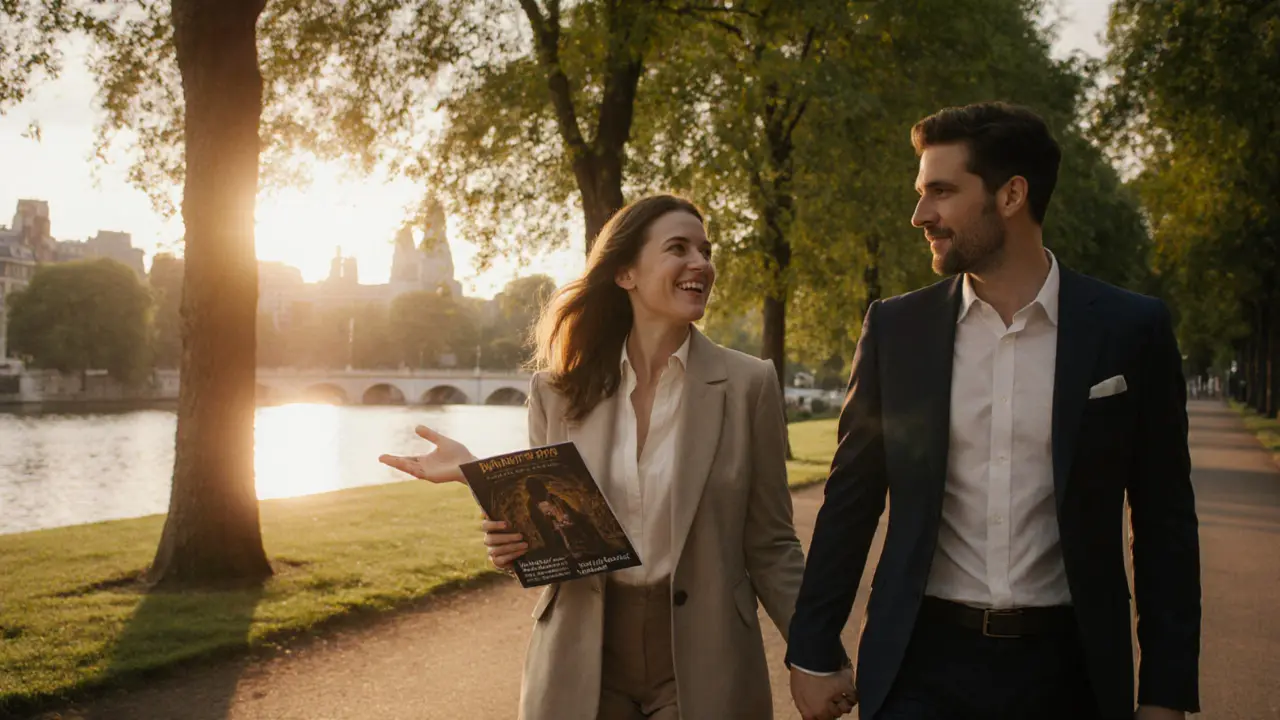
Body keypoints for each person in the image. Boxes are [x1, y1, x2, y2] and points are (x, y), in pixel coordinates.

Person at [785, 102, 1201, 720]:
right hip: (919, 667)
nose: (920, 214)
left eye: (942, 192)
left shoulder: (1130, 330)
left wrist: (1166, 692)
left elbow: (1164, 519)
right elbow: (852, 496)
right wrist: (813, 649)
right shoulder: (898, 329)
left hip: (1071, 672)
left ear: (1011, 194)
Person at [379, 194, 811, 720]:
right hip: (581, 660)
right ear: (625, 273)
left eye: (705, 249)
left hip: (705, 661)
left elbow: (771, 545)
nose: (701, 263)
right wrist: (508, 537)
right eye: (678, 248)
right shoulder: (555, 392)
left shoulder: (750, 385)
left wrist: (816, 657)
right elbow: (555, 541)